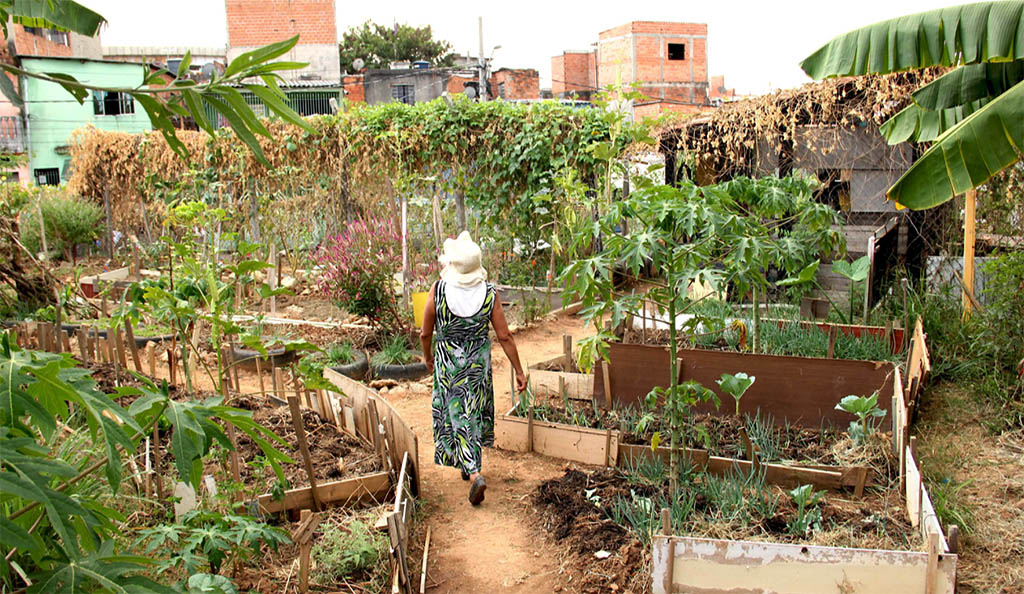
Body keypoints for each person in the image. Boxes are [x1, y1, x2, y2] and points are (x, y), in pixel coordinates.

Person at [419, 231, 527, 505]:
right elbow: (504, 336)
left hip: (449, 365)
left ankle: (475, 472)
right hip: (477, 365)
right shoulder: (490, 294)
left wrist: (428, 357)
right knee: (472, 410)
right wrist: (518, 370)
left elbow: (424, 333)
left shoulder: (438, 290)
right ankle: (470, 466)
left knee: (456, 412)